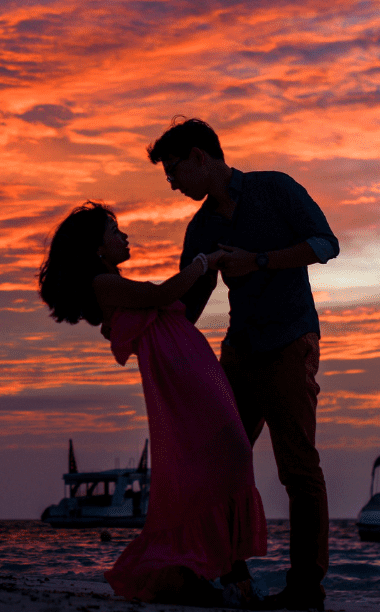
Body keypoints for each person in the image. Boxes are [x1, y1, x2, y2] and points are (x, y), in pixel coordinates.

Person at [148, 118, 339, 612]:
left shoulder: (273, 189)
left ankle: (306, 589)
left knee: (298, 468)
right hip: (238, 351)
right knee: (218, 460)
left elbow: (325, 245)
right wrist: (149, 336)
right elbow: (189, 303)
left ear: (199, 157)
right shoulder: (202, 228)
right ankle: (231, 578)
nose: (172, 184)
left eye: (174, 171)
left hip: (291, 342)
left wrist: (257, 261)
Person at [38, 202, 267, 607]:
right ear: (96, 248)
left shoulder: (110, 282)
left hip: (189, 368)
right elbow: (162, 293)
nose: (123, 236)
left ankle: (214, 573)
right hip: (180, 377)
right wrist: (205, 261)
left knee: (226, 457)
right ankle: (228, 576)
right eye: (113, 231)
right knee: (227, 456)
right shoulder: (102, 284)